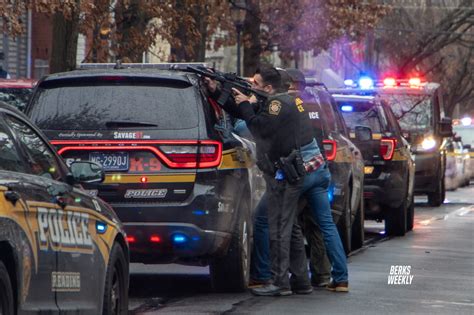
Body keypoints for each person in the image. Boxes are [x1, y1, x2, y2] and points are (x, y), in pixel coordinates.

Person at [232, 66, 314, 296]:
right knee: (292, 227)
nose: (252, 86)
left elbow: (260, 127)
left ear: (269, 88)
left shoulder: (277, 104)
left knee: (278, 226)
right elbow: (253, 116)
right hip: (286, 171)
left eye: (256, 84)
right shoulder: (285, 102)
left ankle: (280, 282)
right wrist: (235, 100)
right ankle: (300, 280)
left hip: (284, 173)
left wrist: (246, 105)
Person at [286, 68, 332, 287]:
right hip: (319, 168)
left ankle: (298, 276)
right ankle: (322, 274)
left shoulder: (293, 107)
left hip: (300, 171)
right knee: (317, 225)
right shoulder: (316, 105)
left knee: (290, 222)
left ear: (294, 85)